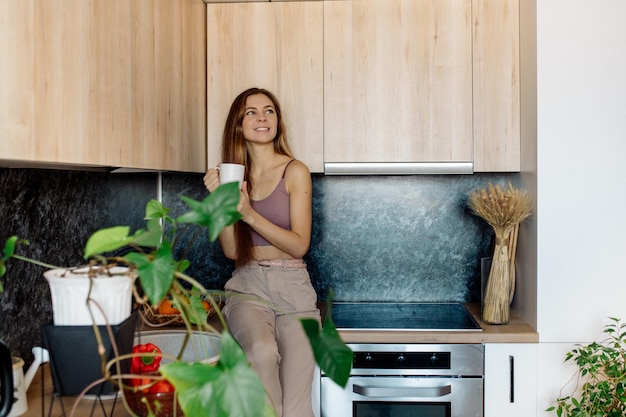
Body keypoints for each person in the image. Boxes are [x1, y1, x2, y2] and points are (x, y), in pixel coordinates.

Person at [203, 87, 320, 417]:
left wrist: (250, 215)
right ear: (239, 125)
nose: (261, 118)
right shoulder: (232, 179)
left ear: (278, 122)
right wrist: (221, 202)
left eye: (269, 111)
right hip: (248, 288)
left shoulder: (295, 171)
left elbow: (300, 245)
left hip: (295, 289)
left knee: (297, 409)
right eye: (251, 112)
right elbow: (231, 250)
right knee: (262, 351)